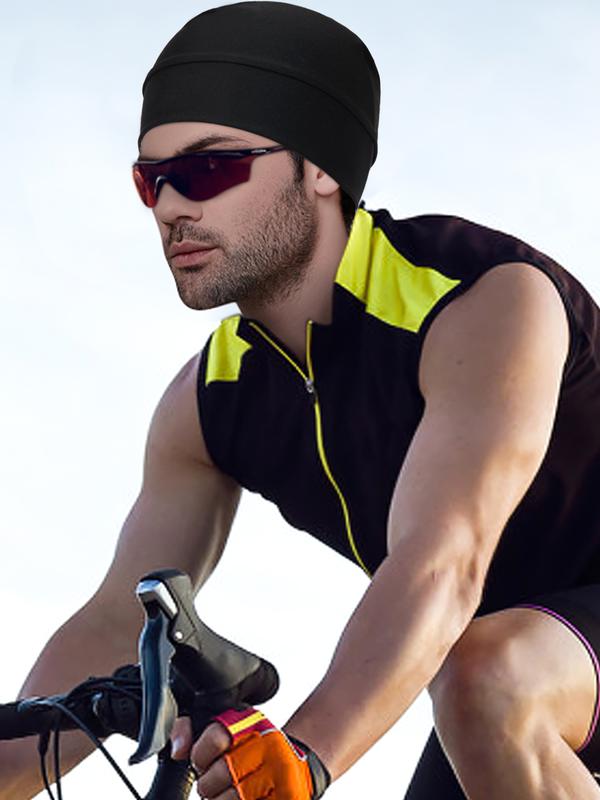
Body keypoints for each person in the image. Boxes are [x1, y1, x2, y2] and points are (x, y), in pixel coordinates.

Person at [3, 2, 600, 798]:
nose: (173, 206)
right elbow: (118, 622)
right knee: (480, 682)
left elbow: (442, 561)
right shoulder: (208, 402)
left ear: (320, 168)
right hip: (505, 667)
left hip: (511, 663)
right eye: (152, 181)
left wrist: (307, 754)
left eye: (209, 169)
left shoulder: (481, 299)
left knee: (487, 680)